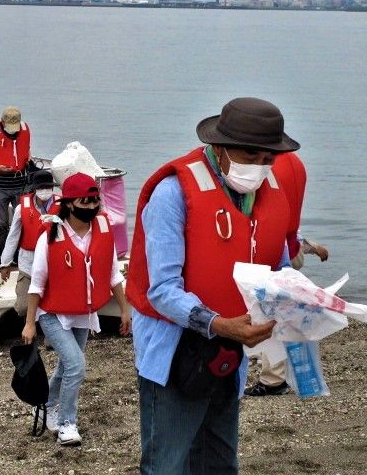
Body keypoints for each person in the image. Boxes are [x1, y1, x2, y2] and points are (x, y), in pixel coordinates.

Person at [126, 97, 300, 474]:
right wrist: (221, 324)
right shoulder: (171, 194)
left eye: (268, 158)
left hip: (230, 353)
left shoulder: (267, 193)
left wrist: (305, 302)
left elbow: (279, 267)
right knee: (166, 466)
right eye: (250, 155)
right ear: (220, 148)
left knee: (220, 463)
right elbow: (162, 290)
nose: (260, 166)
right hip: (175, 353)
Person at [21, 172, 131, 446]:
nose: (92, 207)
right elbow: (37, 283)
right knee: (76, 366)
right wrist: (30, 322)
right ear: (69, 203)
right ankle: (67, 424)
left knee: (66, 366)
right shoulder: (50, 236)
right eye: (85, 202)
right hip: (53, 313)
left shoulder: (103, 231)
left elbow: (113, 275)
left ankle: (46, 405)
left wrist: (125, 310)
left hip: (84, 312)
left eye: (95, 201)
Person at [244, 151, 329, 396]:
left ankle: (273, 378)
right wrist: (308, 244)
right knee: (282, 314)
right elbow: (290, 217)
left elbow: (271, 216)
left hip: (275, 249)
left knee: (272, 313)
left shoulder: (265, 167)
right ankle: (280, 374)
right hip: (290, 246)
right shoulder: (296, 164)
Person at [0, 169, 59, 318]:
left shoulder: (63, 207)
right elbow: (13, 236)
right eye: (41, 188)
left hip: (54, 261)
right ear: (34, 189)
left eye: (48, 187)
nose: (45, 191)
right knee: (23, 307)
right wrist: (5, 263)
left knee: (54, 304)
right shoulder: (21, 209)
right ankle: (35, 322)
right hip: (28, 263)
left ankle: (47, 333)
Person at [0, 106, 32, 255]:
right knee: (0, 223)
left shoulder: (25, 129)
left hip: (21, 183)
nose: (14, 130)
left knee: (23, 221)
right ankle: (2, 254)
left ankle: (19, 252)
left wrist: (28, 158)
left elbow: (27, 147)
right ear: (2, 122)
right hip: (0, 184)